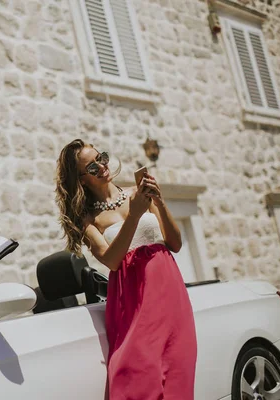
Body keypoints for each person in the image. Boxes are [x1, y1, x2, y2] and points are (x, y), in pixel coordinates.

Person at [55, 139, 197, 399]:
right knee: (137, 375)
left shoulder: (137, 193)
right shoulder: (87, 219)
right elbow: (111, 260)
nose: (103, 166)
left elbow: (175, 243)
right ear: (82, 180)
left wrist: (159, 202)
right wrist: (133, 215)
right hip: (132, 303)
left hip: (169, 292)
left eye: (103, 158)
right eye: (93, 167)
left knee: (177, 373)